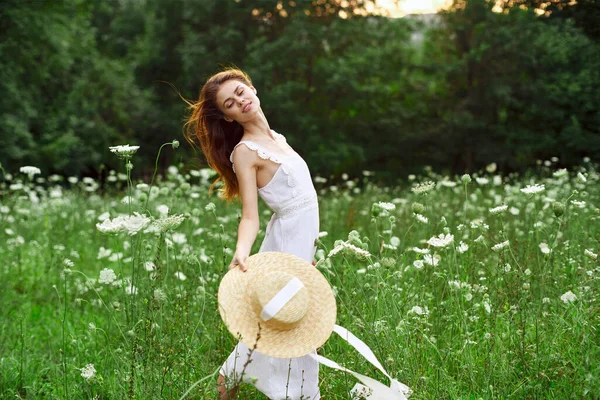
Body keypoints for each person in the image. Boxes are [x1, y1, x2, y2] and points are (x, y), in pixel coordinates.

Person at [182, 67, 321, 399]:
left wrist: (309, 257)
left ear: (253, 90)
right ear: (228, 117)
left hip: (300, 251)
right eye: (229, 104)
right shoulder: (245, 153)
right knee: (281, 330)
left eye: (240, 93)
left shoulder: (279, 140)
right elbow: (250, 217)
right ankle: (233, 381)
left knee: (292, 332)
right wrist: (241, 251)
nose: (239, 102)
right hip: (284, 250)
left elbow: (306, 204)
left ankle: (288, 391)